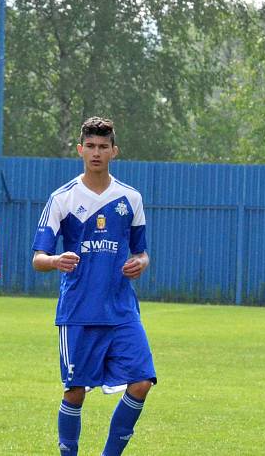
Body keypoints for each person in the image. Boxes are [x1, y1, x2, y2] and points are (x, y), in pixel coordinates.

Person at [31, 116, 156, 456]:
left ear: (114, 151)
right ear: (80, 150)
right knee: (75, 391)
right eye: (90, 146)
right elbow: (38, 258)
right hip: (78, 312)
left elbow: (142, 253)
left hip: (121, 311)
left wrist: (139, 264)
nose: (96, 152)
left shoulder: (130, 198)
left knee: (142, 382)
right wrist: (56, 261)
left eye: (103, 147)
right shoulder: (63, 198)